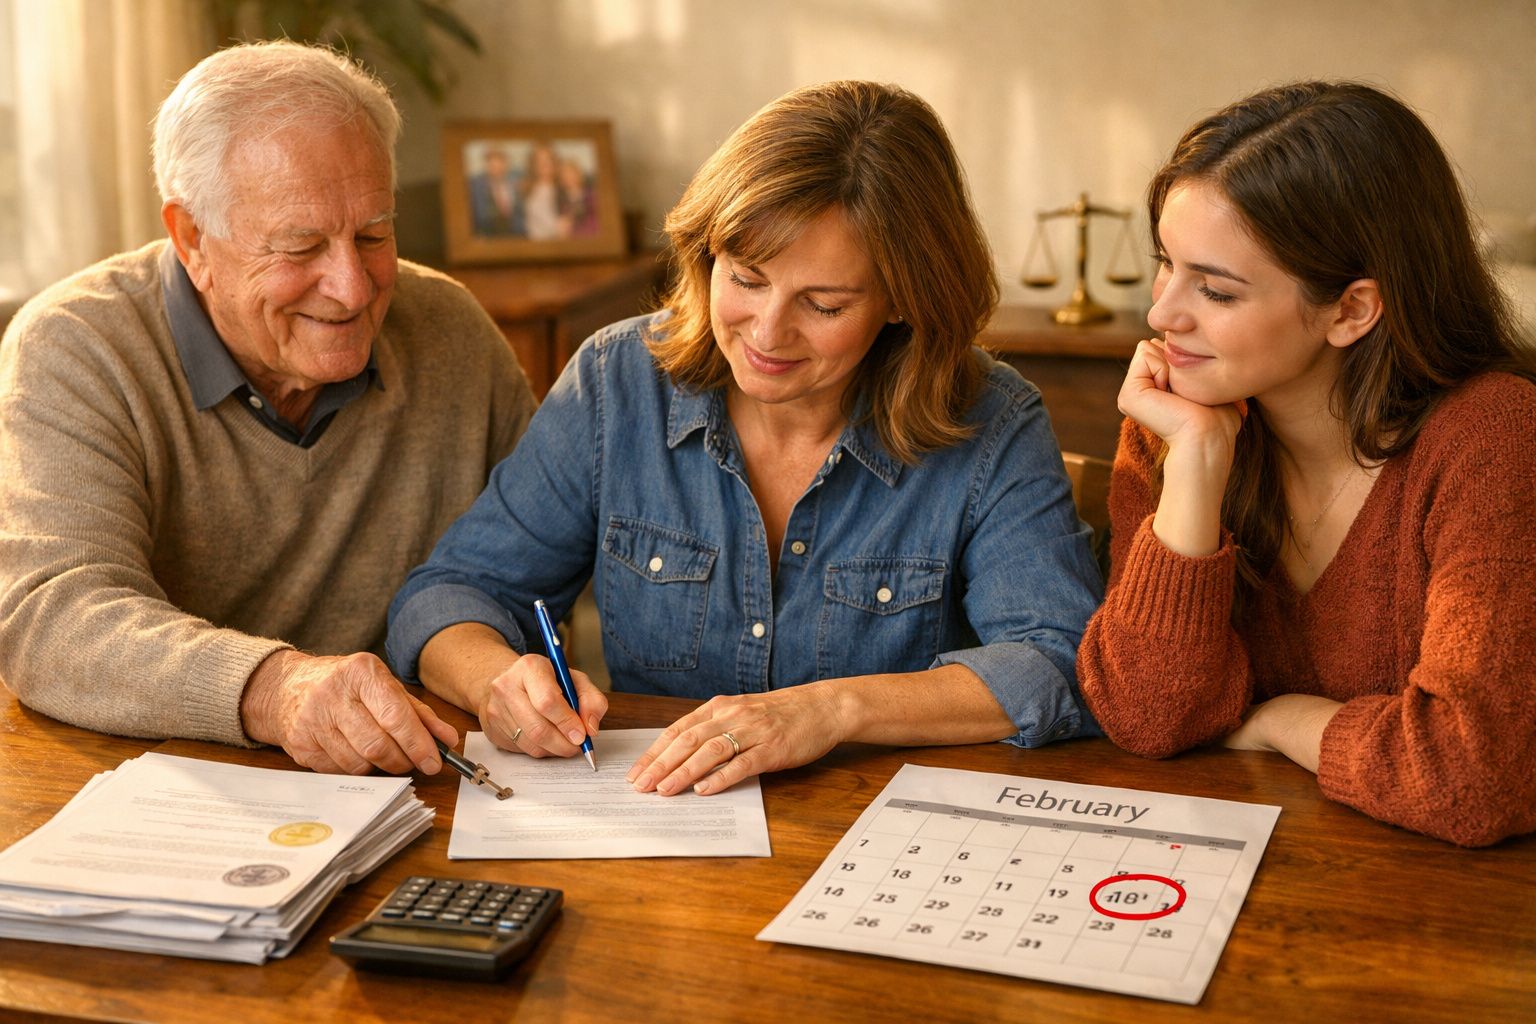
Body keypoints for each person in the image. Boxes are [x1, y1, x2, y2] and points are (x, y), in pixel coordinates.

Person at [387, 80, 1103, 798]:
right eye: (747, 279)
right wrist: (496, 680)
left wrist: (832, 709)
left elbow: (1057, 661)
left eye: (823, 305)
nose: (766, 332)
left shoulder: (991, 420)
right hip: (660, 820)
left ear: (903, 301)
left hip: (874, 826)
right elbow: (448, 597)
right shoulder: (617, 382)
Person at [0, 41, 537, 776]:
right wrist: (275, 689)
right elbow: (53, 617)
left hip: (417, 778)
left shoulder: (452, 331)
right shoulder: (77, 345)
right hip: (157, 785)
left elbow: (535, 567)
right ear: (192, 239)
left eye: (373, 235)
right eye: (300, 247)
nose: (352, 288)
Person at [1076, 81, 1536, 846]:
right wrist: (1196, 467)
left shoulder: (1495, 439)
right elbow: (1147, 716)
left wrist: (1286, 722)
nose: (1161, 314)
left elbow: (1473, 777)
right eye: (1166, 264)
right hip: (1248, 869)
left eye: (1215, 290)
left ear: (1351, 310)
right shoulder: (1174, 427)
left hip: (1445, 899)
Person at [467, 146, 524, 236]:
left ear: (506, 164)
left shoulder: (517, 179)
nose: (496, 169)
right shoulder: (476, 185)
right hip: (488, 234)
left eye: (500, 163)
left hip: (516, 234)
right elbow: (477, 215)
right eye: (492, 165)